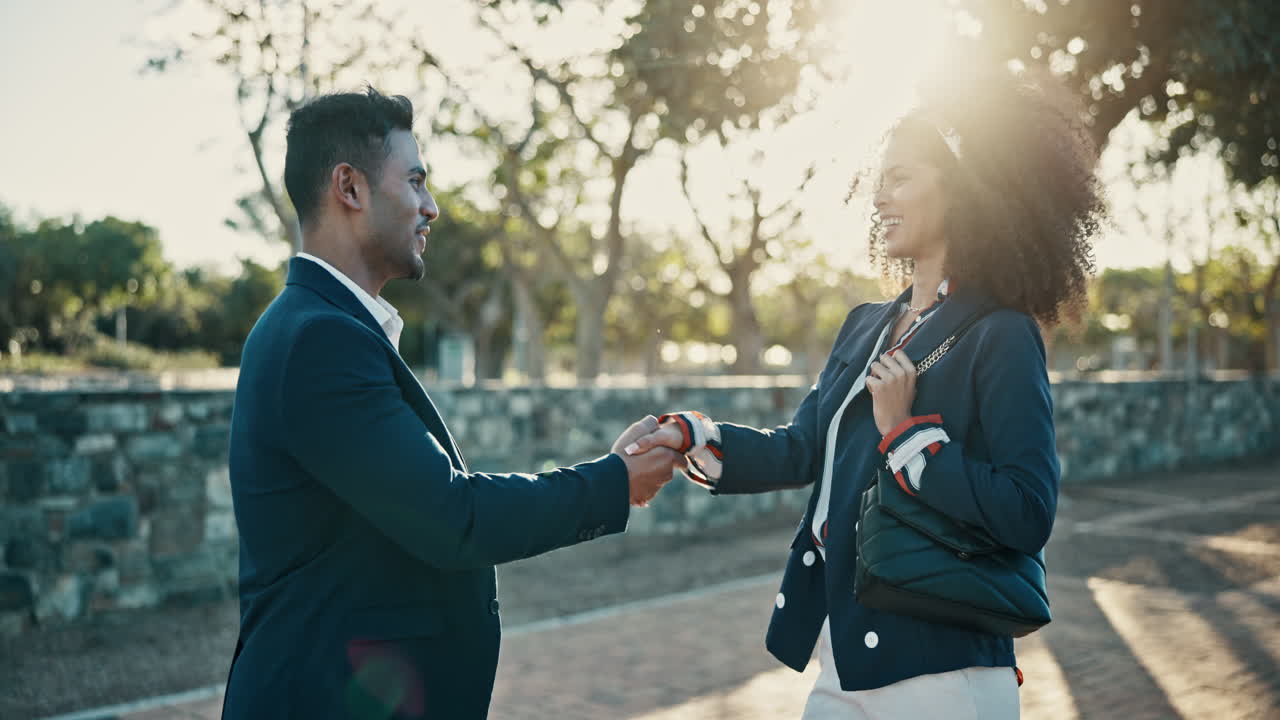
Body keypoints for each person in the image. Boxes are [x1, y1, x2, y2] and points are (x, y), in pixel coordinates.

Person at [625, 69, 1102, 718]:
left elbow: (1027, 512)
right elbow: (801, 449)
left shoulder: (1003, 334)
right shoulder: (864, 325)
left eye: (901, 178)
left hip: (946, 669)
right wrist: (691, 435)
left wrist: (907, 436)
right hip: (844, 652)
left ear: (964, 187)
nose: (880, 199)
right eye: (879, 182)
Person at [222, 86, 680, 720]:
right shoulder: (318, 340)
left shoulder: (320, 327)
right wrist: (614, 483)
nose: (431, 206)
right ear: (349, 188)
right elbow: (452, 516)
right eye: (415, 182)